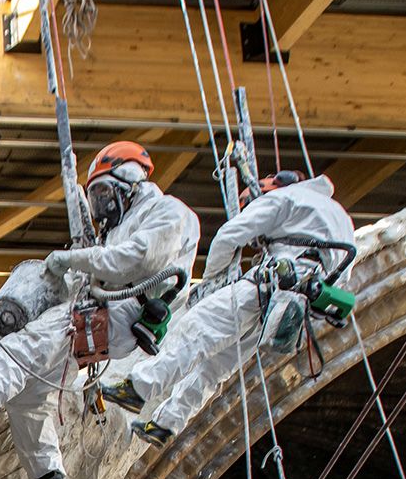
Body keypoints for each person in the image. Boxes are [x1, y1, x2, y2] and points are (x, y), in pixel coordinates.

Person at [0, 141, 200, 479]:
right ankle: (49, 475)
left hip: (109, 314)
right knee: (32, 395)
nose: (101, 206)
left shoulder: (166, 212)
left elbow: (134, 259)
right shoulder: (129, 221)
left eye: (102, 192)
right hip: (105, 324)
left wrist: (71, 259)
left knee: (16, 353)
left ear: (129, 178)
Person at [102, 169, 355, 446]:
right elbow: (341, 280)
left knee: (196, 329)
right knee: (216, 366)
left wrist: (213, 280)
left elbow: (229, 236)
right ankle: (165, 424)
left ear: (274, 183)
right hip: (289, 307)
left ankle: (138, 388)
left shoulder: (284, 197)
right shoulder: (340, 218)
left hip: (264, 288)